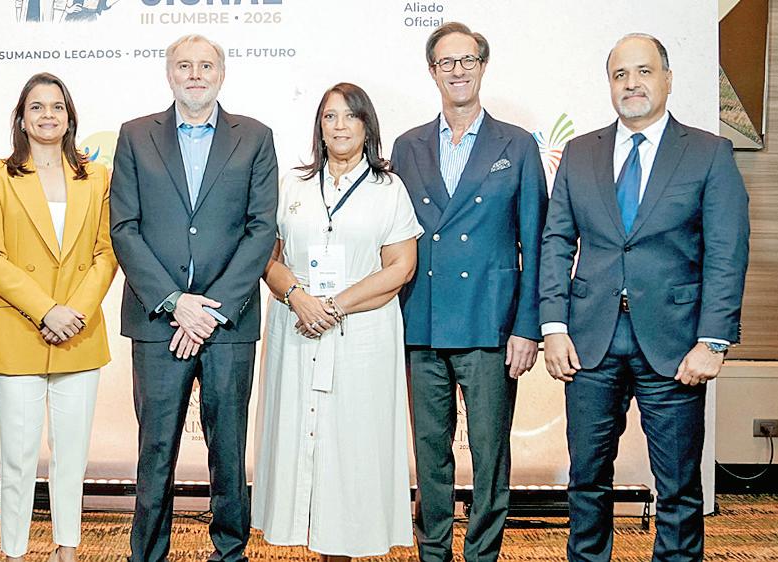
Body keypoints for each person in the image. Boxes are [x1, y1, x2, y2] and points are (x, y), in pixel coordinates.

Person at [540, 33, 749, 562]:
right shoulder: (580, 153)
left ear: (668, 79)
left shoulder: (708, 153)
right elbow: (556, 240)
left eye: (644, 71)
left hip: (676, 346)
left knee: (677, 486)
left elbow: (727, 252)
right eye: (620, 74)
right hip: (590, 343)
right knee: (587, 481)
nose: (631, 83)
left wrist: (714, 341)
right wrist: (554, 327)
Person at [110, 34, 279, 562]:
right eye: (184, 65)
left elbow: (261, 229)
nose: (195, 74)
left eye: (206, 65)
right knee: (156, 448)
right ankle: (147, 554)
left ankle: (230, 552)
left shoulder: (255, 137)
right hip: (158, 320)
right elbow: (124, 228)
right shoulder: (135, 135)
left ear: (221, 74)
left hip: (229, 322)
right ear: (169, 74)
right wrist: (174, 302)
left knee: (228, 448)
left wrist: (210, 309)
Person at [391, 21, 548, 562]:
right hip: (423, 321)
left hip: (492, 324)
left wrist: (528, 326)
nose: (457, 70)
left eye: (467, 60)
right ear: (432, 71)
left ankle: (483, 554)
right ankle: (433, 551)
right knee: (429, 454)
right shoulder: (407, 145)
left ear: (483, 66)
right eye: (446, 62)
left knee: (489, 455)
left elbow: (537, 242)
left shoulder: (518, 144)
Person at [251, 82, 421, 560]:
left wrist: (335, 305)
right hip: (296, 325)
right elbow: (266, 256)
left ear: (367, 125)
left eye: (351, 116)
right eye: (330, 116)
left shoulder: (389, 189)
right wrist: (298, 297)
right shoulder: (294, 184)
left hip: (361, 333)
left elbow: (401, 267)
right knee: (300, 442)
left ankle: (345, 548)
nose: (340, 125)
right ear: (319, 128)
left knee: (352, 447)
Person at [0, 72, 117, 562]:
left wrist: (74, 311)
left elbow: (106, 253)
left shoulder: (97, 177)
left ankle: (66, 549)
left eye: (57, 107)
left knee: (72, 458)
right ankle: (14, 552)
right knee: (17, 458)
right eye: (36, 107)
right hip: (18, 329)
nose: (47, 115)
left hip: (78, 332)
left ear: (70, 118)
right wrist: (46, 310)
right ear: (21, 118)